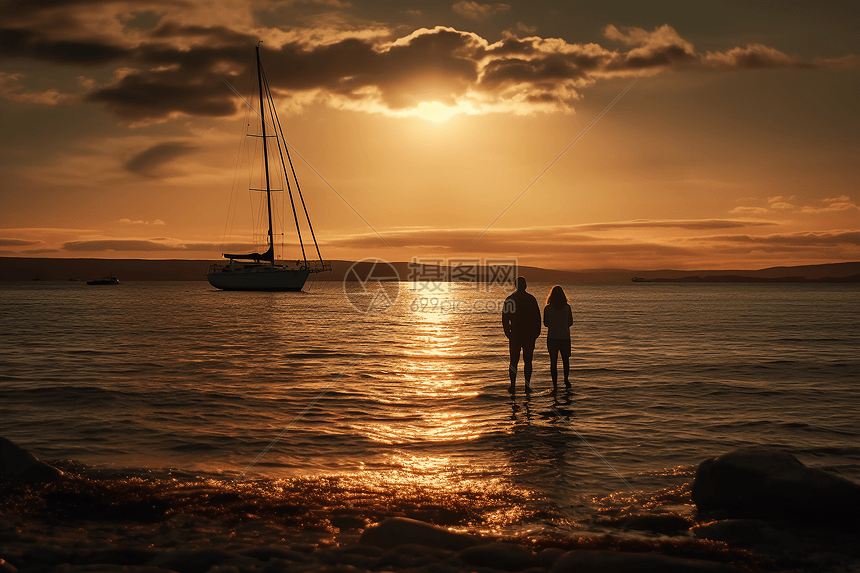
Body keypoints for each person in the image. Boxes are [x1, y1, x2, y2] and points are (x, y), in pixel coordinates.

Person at [502, 276, 541, 392]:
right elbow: (537, 318)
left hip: (517, 335)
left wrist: (507, 332)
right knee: (526, 361)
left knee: (514, 361)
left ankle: (514, 386)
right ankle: (526, 386)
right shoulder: (530, 299)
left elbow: (505, 318)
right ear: (525, 286)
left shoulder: (511, 299)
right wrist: (536, 332)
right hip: (525, 335)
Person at [543, 285, 573, 390]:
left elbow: (546, 324)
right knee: (566, 360)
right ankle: (566, 380)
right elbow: (570, 322)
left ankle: (555, 384)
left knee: (553, 361)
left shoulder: (547, 308)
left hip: (552, 338)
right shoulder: (567, 307)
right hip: (565, 337)